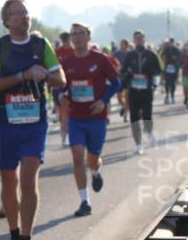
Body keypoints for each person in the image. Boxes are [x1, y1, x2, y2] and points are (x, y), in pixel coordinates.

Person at [0, 0, 66, 240]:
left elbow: (60, 80)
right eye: (17, 14)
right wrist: (23, 75)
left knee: (28, 179)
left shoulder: (41, 45)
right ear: (6, 21)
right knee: (8, 182)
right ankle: (14, 237)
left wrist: (44, 76)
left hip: (34, 123)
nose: (24, 17)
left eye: (26, 12)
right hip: (5, 122)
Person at [59, 23, 121, 217]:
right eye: (73, 34)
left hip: (96, 118)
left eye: (81, 33)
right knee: (77, 158)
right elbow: (60, 86)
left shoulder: (100, 59)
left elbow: (117, 82)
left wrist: (103, 101)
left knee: (92, 159)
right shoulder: (66, 62)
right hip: (76, 117)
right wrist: (61, 95)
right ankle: (84, 201)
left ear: (88, 37)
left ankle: (95, 172)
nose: (77, 37)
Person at [121, 29, 162, 154]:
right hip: (133, 90)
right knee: (134, 117)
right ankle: (138, 144)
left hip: (146, 90)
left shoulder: (151, 54)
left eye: (141, 38)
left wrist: (152, 76)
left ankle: (149, 132)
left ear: (144, 39)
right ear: (134, 40)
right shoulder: (129, 55)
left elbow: (158, 71)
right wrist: (127, 75)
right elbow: (123, 71)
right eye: (136, 38)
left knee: (147, 115)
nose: (139, 40)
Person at [54, 31, 75, 146]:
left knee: (71, 111)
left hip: (74, 85)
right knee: (63, 113)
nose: (65, 43)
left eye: (67, 40)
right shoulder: (57, 52)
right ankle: (64, 135)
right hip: (60, 85)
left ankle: (69, 134)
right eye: (63, 41)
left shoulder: (74, 51)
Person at [161, 38, 182, 105]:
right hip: (167, 67)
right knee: (167, 82)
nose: (170, 44)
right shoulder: (166, 49)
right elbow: (162, 56)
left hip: (174, 67)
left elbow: (180, 57)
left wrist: (176, 58)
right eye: (169, 42)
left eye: (171, 42)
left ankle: (172, 96)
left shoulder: (176, 50)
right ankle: (167, 95)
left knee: (173, 83)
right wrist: (164, 58)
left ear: (173, 43)